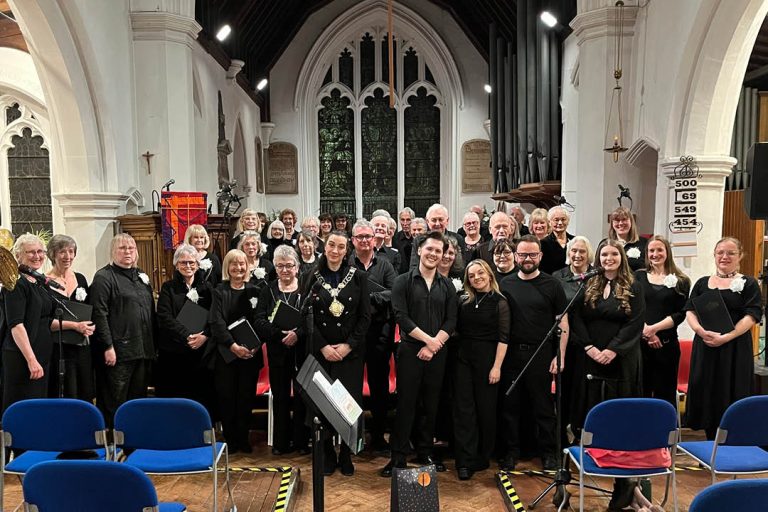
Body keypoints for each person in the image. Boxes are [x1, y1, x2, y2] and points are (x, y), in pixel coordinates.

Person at [570, 238, 645, 511]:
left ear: (621, 257)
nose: (608, 259)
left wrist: (612, 350)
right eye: (604, 254)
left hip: (621, 361)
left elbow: (635, 323)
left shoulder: (634, 285)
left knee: (618, 422)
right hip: (591, 360)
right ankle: (595, 465)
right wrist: (589, 347)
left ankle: (622, 483)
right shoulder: (590, 283)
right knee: (592, 417)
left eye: (613, 254)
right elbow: (576, 318)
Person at [381, 231, 458, 477]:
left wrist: (435, 345)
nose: (434, 254)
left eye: (439, 250)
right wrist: (428, 341)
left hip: (438, 352)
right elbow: (400, 317)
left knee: (431, 405)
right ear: (419, 250)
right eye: (430, 249)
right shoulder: (403, 281)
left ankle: (425, 453)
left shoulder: (446, 284)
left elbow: (452, 319)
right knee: (406, 405)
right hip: (410, 351)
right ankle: (398, 457)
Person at [300, 230, 371, 476]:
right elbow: (306, 316)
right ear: (325, 246)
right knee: (322, 405)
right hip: (321, 352)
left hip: (348, 353)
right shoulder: (310, 276)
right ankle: (328, 452)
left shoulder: (359, 277)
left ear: (347, 250)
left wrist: (348, 345)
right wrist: (322, 346)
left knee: (347, 405)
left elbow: (365, 317)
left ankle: (346, 453)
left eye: (341, 247)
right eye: (331, 244)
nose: (335, 250)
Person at [498, 235, 569, 472]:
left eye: (532, 255)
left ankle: (549, 453)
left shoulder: (552, 285)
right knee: (510, 407)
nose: (527, 259)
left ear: (540, 256)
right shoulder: (505, 284)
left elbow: (563, 323)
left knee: (543, 407)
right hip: (511, 355)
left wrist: (559, 355)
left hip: (541, 354)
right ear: (515, 256)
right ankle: (510, 451)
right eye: (522, 255)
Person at [684, 237, 762, 440]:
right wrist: (701, 332)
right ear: (714, 255)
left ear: (740, 256)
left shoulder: (749, 283)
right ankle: (710, 440)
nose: (724, 257)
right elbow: (690, 311)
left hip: (734, 347)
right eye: (720, 252)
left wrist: (727, 336)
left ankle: (733, 441)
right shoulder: (702, 283)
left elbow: (752, 315)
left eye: (730, 253)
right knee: (706, 388)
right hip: (706, 345)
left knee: (731, 389)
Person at [90, 234, 157, 424]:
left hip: (142, 350)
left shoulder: (141, 276)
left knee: (137, 401)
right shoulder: (104, 277)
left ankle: (134, 440)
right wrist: (107, 346)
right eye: (122, 248)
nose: (127, 251)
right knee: (115, 400)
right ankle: (114, 443)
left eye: (131, 248)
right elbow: (99, 314)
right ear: (113, 252)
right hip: (119, 352)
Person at [453, 259, 509, 480]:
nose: (476, 278)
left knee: (485, 409)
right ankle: (464, 460)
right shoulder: (464, 300)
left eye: (480, 273)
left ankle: (482, 456)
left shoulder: (500, 302)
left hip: (488, 360)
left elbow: (504, 338)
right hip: (463, 358)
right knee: (463, 409)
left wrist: (497, 367)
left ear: (489, 274)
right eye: (472, 276)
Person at [254, 245, 309, 456]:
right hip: (277, 351)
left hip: (301, 350)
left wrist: (297, 334)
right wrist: (279, 333)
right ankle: (281, 442)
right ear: (275, 268)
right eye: (280, 266)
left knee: (302, 397)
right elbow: (259, 320)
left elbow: (312, 318)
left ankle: (302, 441)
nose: (285, 270)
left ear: (297, 267)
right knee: (281, 397)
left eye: (289, 265)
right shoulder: (267, 290)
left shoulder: (305, 288)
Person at [208, 249, 263, 454]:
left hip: (250, 354)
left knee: (245, 398)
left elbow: (260, 320)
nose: (238, 268)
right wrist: (233, 346)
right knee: (227, 397)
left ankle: (243, 438)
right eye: (234, 264)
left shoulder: (255, 290)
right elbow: (216, 322)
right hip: (226, 355)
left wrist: (255, 345)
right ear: (227, 268)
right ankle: (230, 439)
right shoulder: (219, 291)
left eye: (242, 264)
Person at [349, 220, 397, 451]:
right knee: (353, 387)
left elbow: (394, 293)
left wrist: (368, 297)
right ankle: (354, 437)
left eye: (368, 236)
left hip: (380, 333)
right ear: (353, 241)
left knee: (379, 388)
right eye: (360, 237)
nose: (365, 240)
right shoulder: (347, 263)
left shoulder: (385, 265)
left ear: (374, 239)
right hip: (353, 334)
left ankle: (378, 436)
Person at [155, 244, 215, 412]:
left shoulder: (207, 288)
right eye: (183, 262)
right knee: (175, 400)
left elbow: (214, 317)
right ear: (176, 265)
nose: (188, 266)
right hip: (174, 353)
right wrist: (188, 336)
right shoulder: (169, 287)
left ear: (197, 264)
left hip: (200, 354)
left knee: (199, 398)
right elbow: (165, 317)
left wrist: (205, 336)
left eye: (191, 262)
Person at [1, 234, 55, 410]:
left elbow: (44, 319)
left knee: (38, 406)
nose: (37, 256)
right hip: (22, 356)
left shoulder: (39, 281)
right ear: (18, 256)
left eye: (40, 251)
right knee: (22, 407)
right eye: (31, 252)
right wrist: (31, 360)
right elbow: (16, 325)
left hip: (41, 353)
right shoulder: (15, 283)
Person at [636, 236, 690, 407]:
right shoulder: (638, 277)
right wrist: (647, 333)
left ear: (667, 252)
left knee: (664, 393)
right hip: (640, 345)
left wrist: (654, 329)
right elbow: (632, 308)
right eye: (651, 250)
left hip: (667, 345)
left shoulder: (681, 280)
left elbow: (681, 313)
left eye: (660, 250)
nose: (655, 254)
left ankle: (665, 432)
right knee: (640, 391)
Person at [552, 236, 594, 441]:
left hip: (590, 343)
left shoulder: (597, 276)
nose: (577, 255)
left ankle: (582, 433)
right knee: (565, 391)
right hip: (566, 343)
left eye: (582, 252)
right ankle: (562, 435)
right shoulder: (558, 277)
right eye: (574, 251)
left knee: (585, 392)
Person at [45, 234, 96, 401]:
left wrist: (90, 326)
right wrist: (74, 326)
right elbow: (43, 321)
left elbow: (89, 310)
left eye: (71, 251)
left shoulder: (80, 279)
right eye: (62, 252)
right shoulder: (44, 283)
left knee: (84, 390)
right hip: (58, 348)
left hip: (81, 346)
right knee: (65, 391)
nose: (68, 256)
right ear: (52, 254)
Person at [608, 206, 648, 272]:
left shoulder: (644, 243)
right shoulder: (606, 244)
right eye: (617, 220)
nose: (620, 223)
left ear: (631, 222)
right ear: (612, 224)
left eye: (624, 219)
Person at [539, 206, 574, 275]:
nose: (560, 223)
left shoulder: (574, 241)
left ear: (568, 221)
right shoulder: (543, 243)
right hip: (551, 281)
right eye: (556, 220)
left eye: (563, 219)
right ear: (549, 222)